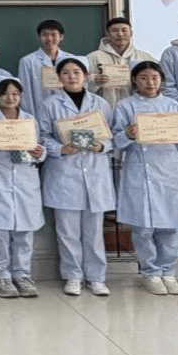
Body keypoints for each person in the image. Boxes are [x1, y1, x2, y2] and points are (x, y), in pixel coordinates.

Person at [112, 61, 178, 296]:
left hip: (170, 169)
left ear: (162, 81)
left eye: (155, 78)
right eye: (144, 78)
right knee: (143, 227)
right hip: (140, 169)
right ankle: (150, 272)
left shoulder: (173, 105)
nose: (150, 82)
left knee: (171, 224)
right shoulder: (125, 106)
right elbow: (115, 141)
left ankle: (168, 271)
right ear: (134, 80)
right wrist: (127, 134)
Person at [38, 58, 114, 297]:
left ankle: (96, 277)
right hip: (65, 172)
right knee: (67, 231)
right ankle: (73, 276)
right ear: (59, 77)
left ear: (85, 76)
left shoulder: (100, 104)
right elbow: (42, 136)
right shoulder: (49, 105)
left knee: (94, 231)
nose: (72, 77)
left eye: (77, 72)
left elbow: (112, 135)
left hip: (94, 171)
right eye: (66, 73)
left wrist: (101, 146)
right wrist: (61, 148)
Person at [0, 77, 46, 299]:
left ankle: (22, 274)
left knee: (25, 231)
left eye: (15, 94)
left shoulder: (29, 120)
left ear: (20, 96)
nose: (10, 98)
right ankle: (1, 275)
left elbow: (40, 149)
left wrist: (39, 152)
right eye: (5, 93)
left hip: (25, 178)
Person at [86, 17, 156, 108]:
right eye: (114, 31)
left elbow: (158, 84)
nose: (120, 34)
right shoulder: (93, 57)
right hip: (103, 109)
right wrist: (94, 81)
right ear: (107, 34)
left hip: (137, 109)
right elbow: (81, 86)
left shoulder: (144, 57)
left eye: (124, 30)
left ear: (131, 33)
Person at [17, 19, 77, 115]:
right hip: (40, 111)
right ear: (39, 37)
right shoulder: (27, 61)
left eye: (53, 35)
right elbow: (26, 93)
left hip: (68, 113)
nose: (49, 38)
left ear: (61, 37)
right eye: (45, 35)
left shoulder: (72, 60)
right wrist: (30, 117)